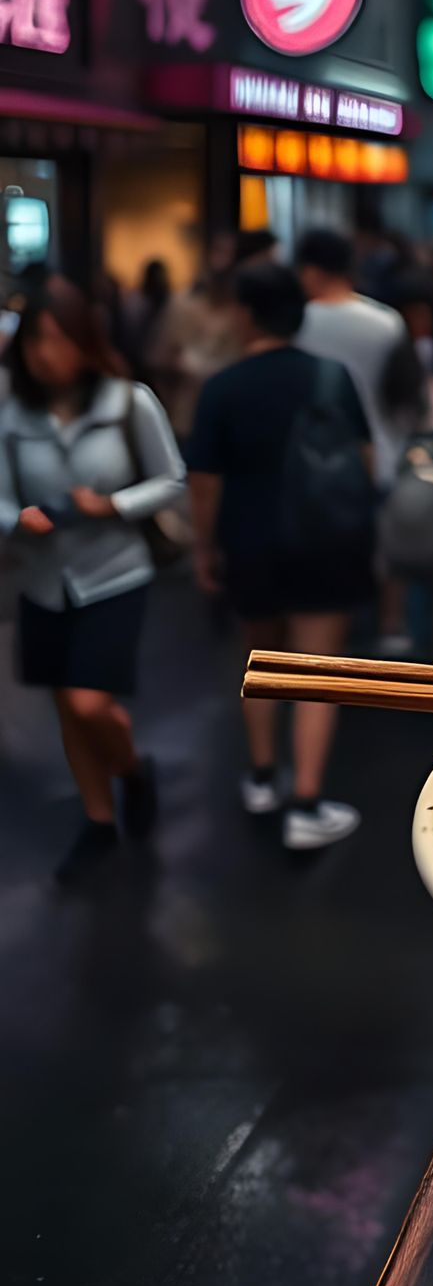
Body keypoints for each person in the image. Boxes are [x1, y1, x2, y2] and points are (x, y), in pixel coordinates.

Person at [0, 278, 186, 883]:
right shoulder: (13, 411)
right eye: (34, 341)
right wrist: (17, 519)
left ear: (84, 341)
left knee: (89, 702)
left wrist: (113, 505)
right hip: (42, 578)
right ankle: (99, 819)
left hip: (113, 574)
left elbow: (171, 479)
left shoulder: (128, 402)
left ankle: (131, 771)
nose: (44, 354)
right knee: (68, 708)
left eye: (57, 339)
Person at [187, 262, 372, 851]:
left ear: (246, 313)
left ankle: (264, 778)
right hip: (324, 541)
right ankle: (307, 803)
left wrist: (204, 547)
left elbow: (204, 482)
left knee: (260, 660)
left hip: (249, 542)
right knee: (318, 670)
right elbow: (365, 459)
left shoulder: (222, 387)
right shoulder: (331, 376)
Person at [295, 228, 409, 488]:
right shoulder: (388, 321)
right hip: (385, 453)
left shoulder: (299, 324)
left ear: (311, 272)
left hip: (315, 463)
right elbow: (406, 394)